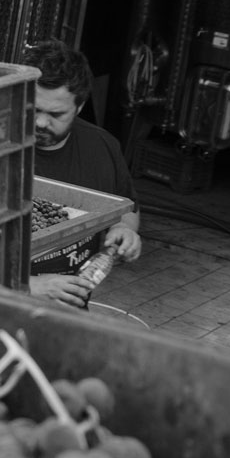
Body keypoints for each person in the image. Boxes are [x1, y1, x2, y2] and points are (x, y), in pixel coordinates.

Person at [22, 39, 143, 309]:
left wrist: (124, 229)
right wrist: (27, 286)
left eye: (56, 114)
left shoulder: (102, 147)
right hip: (0, 305)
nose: (41, 122)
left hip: (70, 311)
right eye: (33, 109)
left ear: (79, 106)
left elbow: (126, 205)